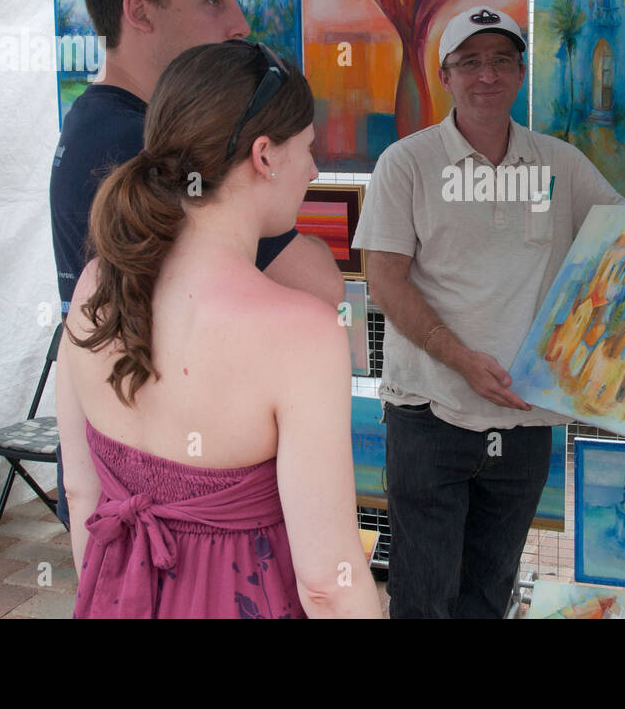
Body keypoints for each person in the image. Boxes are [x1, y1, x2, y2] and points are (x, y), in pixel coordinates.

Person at [354, 6, 625, 618]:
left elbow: (623, 235)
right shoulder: (406, 163)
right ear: (445, 76)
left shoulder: (560, 164)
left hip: (524, 420)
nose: (487, 75)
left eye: (502, 60)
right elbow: (385, 281)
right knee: (423, 599)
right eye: (470, 62)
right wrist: (460, 359)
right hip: (429, 414)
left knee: (487, 595)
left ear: (522, 72)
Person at [56, 39, 382, 618]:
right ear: (264, 156)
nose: (312, 169)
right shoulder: (303, 334)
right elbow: (328, 584)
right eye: (308, 148)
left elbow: (82, 495)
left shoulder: (94, 285)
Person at [50, 0, 343, 528]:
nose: (238, 23)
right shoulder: (134, 139)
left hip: (133, 474)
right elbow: (317, 284)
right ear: (140, 12)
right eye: (213, 0)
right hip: (184, 497)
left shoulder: (96, 121)